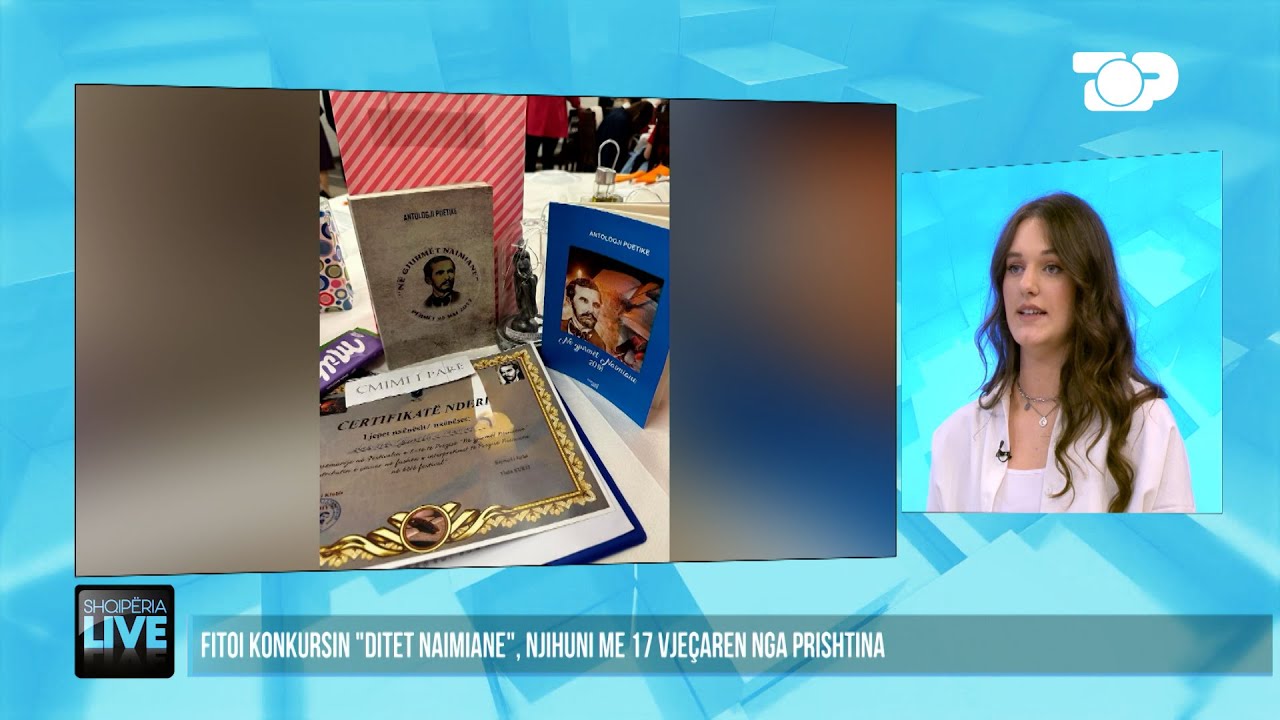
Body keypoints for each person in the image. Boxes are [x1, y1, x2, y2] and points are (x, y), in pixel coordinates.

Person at [927, 192, 1194, 513]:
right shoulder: (954, 439)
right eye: (1015, 267)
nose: (1027, 284)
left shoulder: (1146, 424)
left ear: (1089, 286)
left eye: (1052, 267)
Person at [525, 96, 581, 172]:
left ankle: (528, 178)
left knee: (530, 159)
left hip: (533, 119)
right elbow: (573, 98)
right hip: (553, 119)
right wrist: (578, 105)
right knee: (548, 159)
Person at [596, 101, 654, 171]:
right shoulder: (624, 123)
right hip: (609, 162)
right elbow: (619, 151)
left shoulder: (618, 112)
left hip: (600, 153)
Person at [561, 278, 607, 350]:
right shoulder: (556, 326)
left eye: (596, 305)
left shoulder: (600, 345)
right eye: (584, 301)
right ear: (570, 301)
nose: (591, 310)